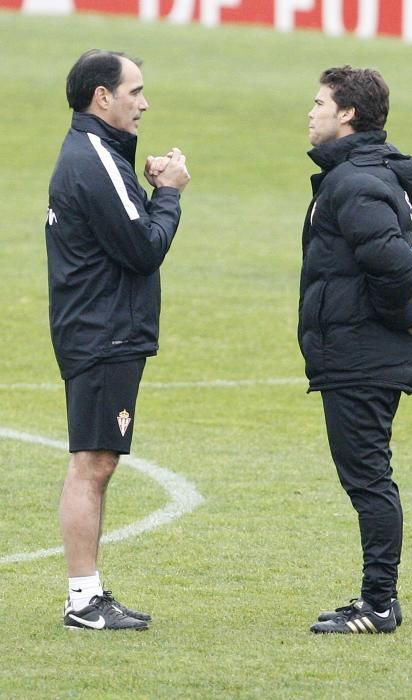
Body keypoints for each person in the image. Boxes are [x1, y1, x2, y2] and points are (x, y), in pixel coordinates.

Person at [45, 49, 190, 631]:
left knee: (97, 460)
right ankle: (83, 599)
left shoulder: (98, 154)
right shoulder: (93, 159)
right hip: (102, 332)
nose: (144, 103)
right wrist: (172, 192)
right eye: (135, 91)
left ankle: (88, 594)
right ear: (101, 97)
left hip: (100, 329)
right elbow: (143, 248)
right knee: (93, 462)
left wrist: (149, 187)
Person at [298, 65, 412, 634]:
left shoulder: (354, 182)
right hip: (362, 350)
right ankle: (379, 600)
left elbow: (393, 263)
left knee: (368, 479)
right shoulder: (367, 174)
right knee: (368, 475)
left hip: (362, 355)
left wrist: (404, 319)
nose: (310, 113)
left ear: (347, 115)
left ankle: (379, 604)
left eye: (318, 103)